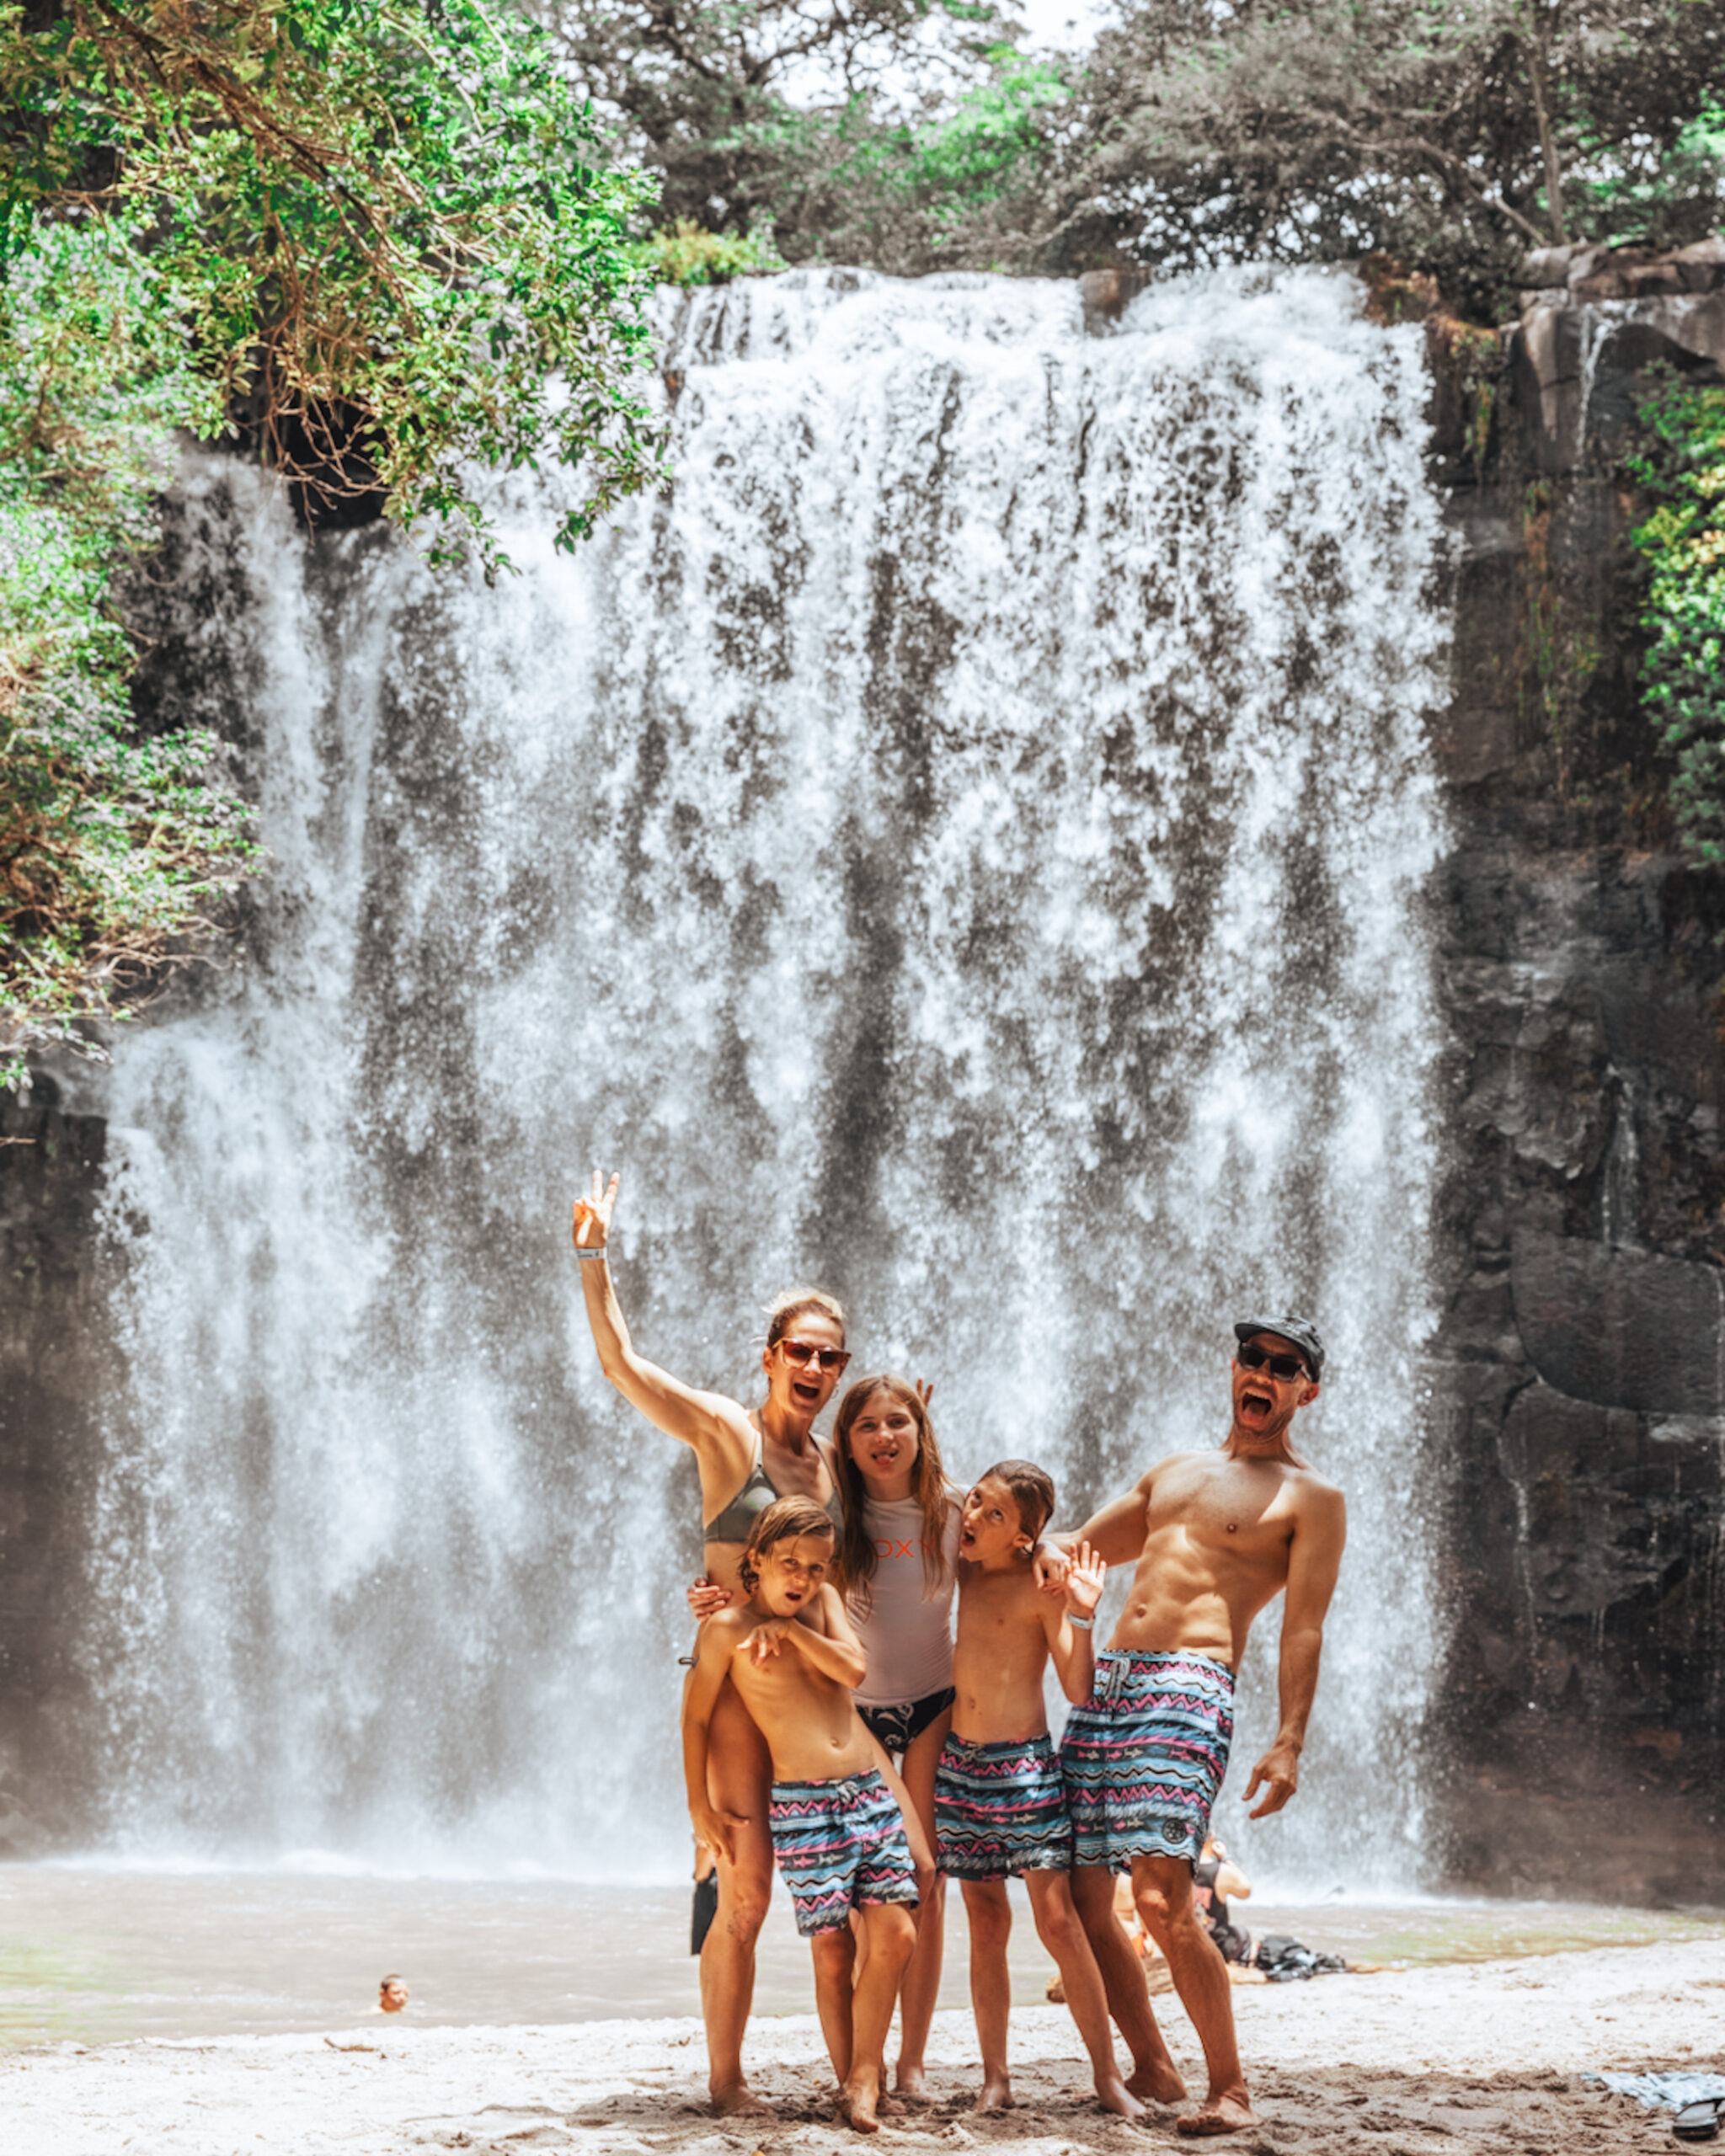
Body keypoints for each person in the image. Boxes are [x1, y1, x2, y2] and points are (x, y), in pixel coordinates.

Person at [570, 1166, 848, 2116]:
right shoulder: (728, 1435)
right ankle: (727, 2080)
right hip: (733, 1691)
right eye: (801, 1353)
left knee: (833, 1900)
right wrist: (591, 1250)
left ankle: (855, 2072)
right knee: (745, 1884)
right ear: (769, 1356)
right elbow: (622, 1366)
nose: (815, 1371)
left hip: (812, 1699)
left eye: (831, 1359)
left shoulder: (828, 1461)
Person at [1055, 1314, 1347, 2137]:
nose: (1262, 1372)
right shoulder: (1174, 1471)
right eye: (1251, 1358)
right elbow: (1068, 1550)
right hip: (1106, 1681)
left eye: (1282, 1366)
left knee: (1157, 1895)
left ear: (1305, 1390)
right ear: (1233, 1369)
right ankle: (1151, 2061)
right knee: (1079, 1897)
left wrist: (1288, 1738)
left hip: (1188, 1685)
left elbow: (1302, 1627)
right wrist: (934, 1511)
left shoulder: (1310, 1498)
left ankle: (1231, 2088)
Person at [683, 1496, 919, 2136]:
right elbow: (697, 1716)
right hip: (804, 1805)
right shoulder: (726, 1630)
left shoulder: (824, 1608)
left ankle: (866, 2073)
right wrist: (698, 1807)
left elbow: (856, 1667)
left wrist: (793, 1632)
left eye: (817, 1567)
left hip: (866, 1791)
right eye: (790, 1563)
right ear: (755, 1560)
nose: (803, 1578)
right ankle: (853, 2085)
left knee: (896, 1933)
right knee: (833, 1952)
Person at [936, 1460, 1145, 2121]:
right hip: (958, 1767)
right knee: (987, 1923)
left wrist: (1083, 1617)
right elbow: (932, 1491)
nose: (973, 1518)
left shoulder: (1040, 1585)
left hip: (1024, 1768)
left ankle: (1108, 2076)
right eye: (976, 1504)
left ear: (1025, 1538)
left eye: (995, 1515)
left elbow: (1079, 1690)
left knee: (1059, 1921)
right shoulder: (959, 1571)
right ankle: (995, 2079)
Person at [827, 1374, 958, 2102]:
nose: (884, 1437)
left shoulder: (956, 1511)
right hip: (856, 1713)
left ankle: (911, 2062)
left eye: (898, 1422)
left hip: (936, 1704)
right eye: (867, 1425)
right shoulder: (834, 1516)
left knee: (928, 1880)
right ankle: (860, 2055)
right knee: (869, 1892)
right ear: (844, 1441)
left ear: (921, 1429)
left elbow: (1025, 1538)